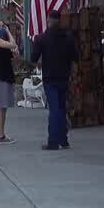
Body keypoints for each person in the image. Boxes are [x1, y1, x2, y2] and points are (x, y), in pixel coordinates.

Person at [30, 9, 78, 150]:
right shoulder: (68, 37)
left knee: (54, 109)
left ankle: (53, 141)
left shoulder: (41, 38)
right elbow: (75, 56)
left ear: (49, 20)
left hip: (50, 77)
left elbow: (33, 58)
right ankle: (63, 140)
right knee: (61, 108)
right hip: (64, 76)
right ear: (60, 20)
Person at [0, 21, 18, 144]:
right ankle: (0, 136)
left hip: (7, 75)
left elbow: (13, 51)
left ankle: (3, 134)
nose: (1, 28)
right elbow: (13, 44)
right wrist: (8, 31)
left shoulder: (3, 42)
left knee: (4, 107)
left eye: (3, 26)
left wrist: (15, 54)